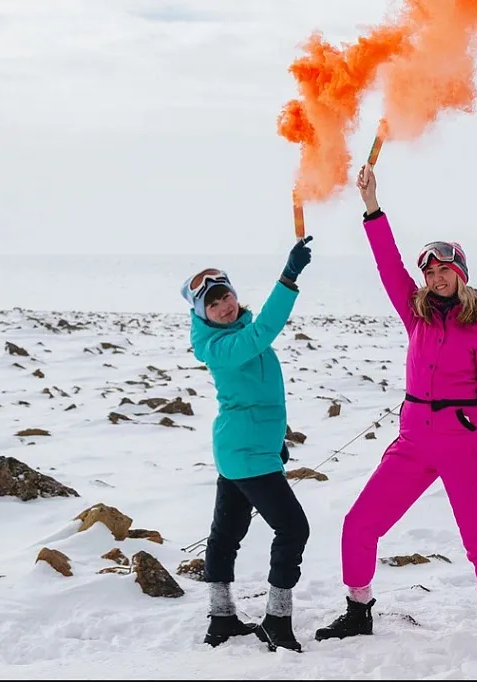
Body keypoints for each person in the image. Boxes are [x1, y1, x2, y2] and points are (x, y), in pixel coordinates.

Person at [314, 165, 477, 641]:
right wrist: (372, 206)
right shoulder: (414, 315)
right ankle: (358, 611)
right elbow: (387, 265)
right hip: (413, 441)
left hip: (463, 443)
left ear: (460, 274)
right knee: (359, 524)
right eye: (430, 272)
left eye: (445, 270)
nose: (436, 278)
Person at [181, 235, 315, 653]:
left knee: (226, 534)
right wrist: (288, 276)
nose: (224, 306)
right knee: (293, 527)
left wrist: (276, 444)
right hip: (244, 453)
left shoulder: (237, 334)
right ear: (202, 314)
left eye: (226, 297)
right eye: (213, 304)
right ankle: (277, 618)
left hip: (244, 450)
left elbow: (262, 396)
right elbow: (265, 330)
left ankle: (221, 619)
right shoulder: (221, 346)